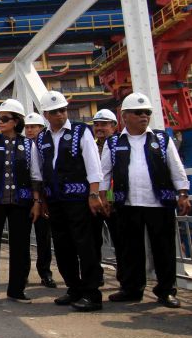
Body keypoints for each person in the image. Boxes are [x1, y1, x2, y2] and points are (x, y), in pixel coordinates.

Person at [100, 93, 190, 308]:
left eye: (147, 112)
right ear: (125, 116)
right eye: (138, 112)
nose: (144, 116)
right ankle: (132, 289)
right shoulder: (113, 143)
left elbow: (176, 168)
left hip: (159, 203)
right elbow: (104, 173)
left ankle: (166, 291)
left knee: (164, 249)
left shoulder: (161, 139)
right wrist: (102, 197)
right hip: (127, 204)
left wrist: (183, 193)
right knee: (130, 250)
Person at [36, 90, 104, 312]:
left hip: (78, 199)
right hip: (55, 200)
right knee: (63, 246)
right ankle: (74, 288)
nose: (60, 115)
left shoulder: (81, 132)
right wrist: (42, 200)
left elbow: (93, 165)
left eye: (63, 110)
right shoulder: (42, 138)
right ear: (46, 114)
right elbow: (39, 172)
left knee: (85, 245)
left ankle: (92, 294)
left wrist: (94, 195)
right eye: (55, 111)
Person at [0, 100, 43, 304]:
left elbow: (36, 176)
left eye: (4, 118)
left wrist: (37, 202)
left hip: (22, 201)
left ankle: (17, 290)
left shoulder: (29, 145)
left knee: (20, 246)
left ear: (16, 121)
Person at [24, 112, 57, 289]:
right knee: (22, 238)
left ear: (41, 128)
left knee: (44, 238)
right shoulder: (21, 146)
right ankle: (22, 274)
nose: (29, 130)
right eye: (27, 127)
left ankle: (45, 273)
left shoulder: (49, 146)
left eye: (33, 127)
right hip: (25, 198)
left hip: (45, 198)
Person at [91, 109, 120, 286]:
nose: (99, 128)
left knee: (120, 241)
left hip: (113, 202)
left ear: (114, 126)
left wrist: (108, 198)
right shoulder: (91, 146)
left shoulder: (121, 145)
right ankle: (96, 276)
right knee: (93, 242)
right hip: (95, 201)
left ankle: (125, 277)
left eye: (104, 124)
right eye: (96, 125)